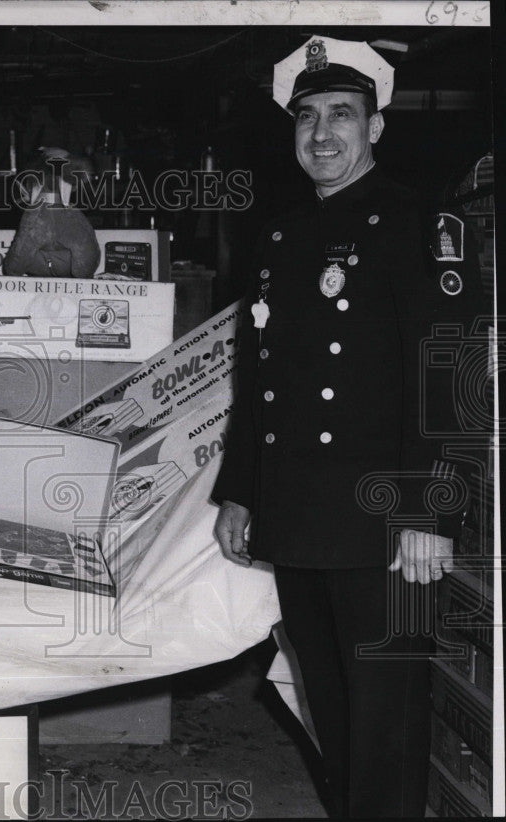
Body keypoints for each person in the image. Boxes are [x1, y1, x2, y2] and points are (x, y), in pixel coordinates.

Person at [211, 36, 484, 818]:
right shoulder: (281, 235)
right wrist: (241, 493)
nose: (321, 132)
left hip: (388, 523)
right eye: (306, 117)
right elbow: (260, 384)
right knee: (329, 708)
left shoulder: (423, 226)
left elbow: (450, 377)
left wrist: (430, 512)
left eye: (342, 114)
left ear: (376, 127)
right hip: (300, 515)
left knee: (386, 722)